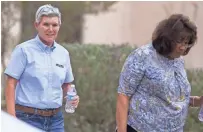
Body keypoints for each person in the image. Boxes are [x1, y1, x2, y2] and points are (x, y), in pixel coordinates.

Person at [116, 14, 197, 132]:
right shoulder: (142, 56)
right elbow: (123, 95)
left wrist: (199, 101)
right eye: (180, 41)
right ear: (167, 38)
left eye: (186, 43)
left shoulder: (179, 62)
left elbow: (174, 99)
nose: (183, 47)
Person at [4, 4, 79, 132]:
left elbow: (67, 84)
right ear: (36, 25)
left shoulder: (63, 53)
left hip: (56, 120)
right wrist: (12, 118)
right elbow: (11, 84)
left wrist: (73, 96)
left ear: (59, 26)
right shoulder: (23, 50)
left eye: (54, 25)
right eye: (46, 24)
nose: (51, 29)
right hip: (27, 118)